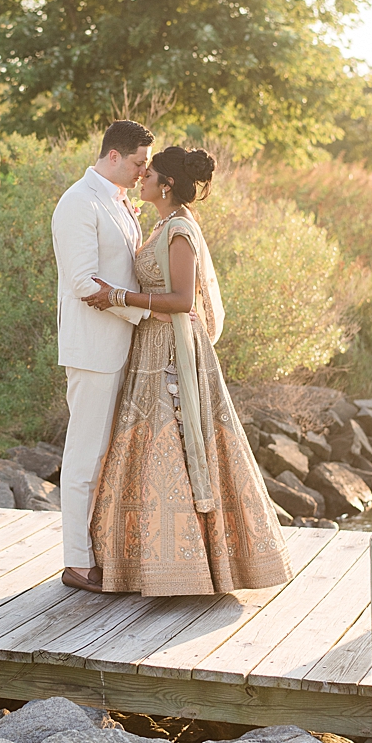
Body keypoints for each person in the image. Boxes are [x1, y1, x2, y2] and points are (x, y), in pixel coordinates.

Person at [80, 145, 293, 596]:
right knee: (148, 445)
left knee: (173, 442)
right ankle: (145, 564)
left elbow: (182, 301)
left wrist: (118, 297)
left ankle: (193, 567)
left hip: (174, 349)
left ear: (168, 184)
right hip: (152, 345)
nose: (142, 177)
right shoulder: (161, 224)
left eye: (149, 172)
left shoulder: (178, 229)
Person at [52, 120, 155, 593]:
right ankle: (76, 562)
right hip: (94, 348)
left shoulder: (115, 199)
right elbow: (82, 282)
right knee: (84, 456)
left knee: (108, 456)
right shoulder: (78, 202)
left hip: (119, 346)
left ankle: (103, 548)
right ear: (113, 156)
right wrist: (146, 314)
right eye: (138, 162)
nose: (143, 171)